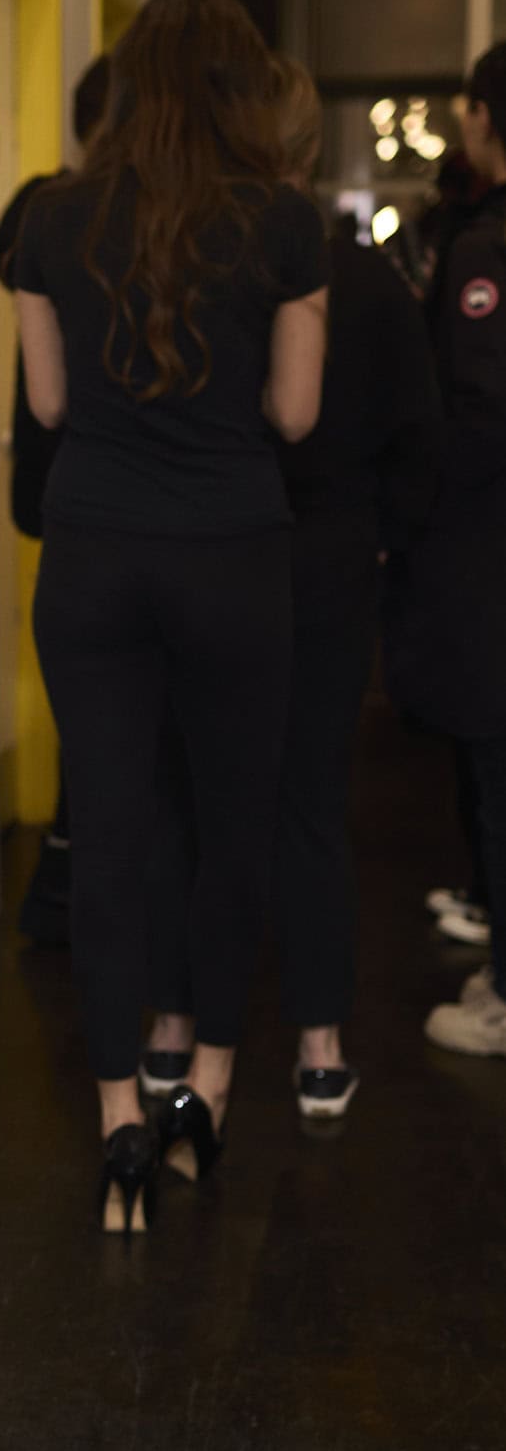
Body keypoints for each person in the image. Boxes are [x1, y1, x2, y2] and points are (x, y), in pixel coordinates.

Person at [12, 0, 328, 1229]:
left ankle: (117, 1127)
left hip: (92, 557)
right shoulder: (283, 224)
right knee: (230, 833)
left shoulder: (49, 217)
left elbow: (48, 406)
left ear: (130, 85)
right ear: (242, 90)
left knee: (108, 834)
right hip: (232, 557)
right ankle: (206, 1092)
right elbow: (294, 414)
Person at [144, 59, 441, 1117]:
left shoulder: (196, 268)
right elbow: (420, 442)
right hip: (323, 568)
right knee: (309, 803)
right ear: (310, 147)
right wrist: (380, 545)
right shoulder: (367, 282)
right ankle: (318, 1046)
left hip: (220, 554)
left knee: (193, 795)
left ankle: (172, 1028)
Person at [385, 40, 506, 1055]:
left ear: (481, 118)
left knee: (497, 764)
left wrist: (412, 513)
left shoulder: (484, 247)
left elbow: (474, 418)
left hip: (485, 554)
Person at [0, 53, 111, 946]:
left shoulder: (44, 211)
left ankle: (71, 871)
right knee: (98, 702)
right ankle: (73, 869)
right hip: (78, 486)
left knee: (91, 700)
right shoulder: (58, 212)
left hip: (70, 488)